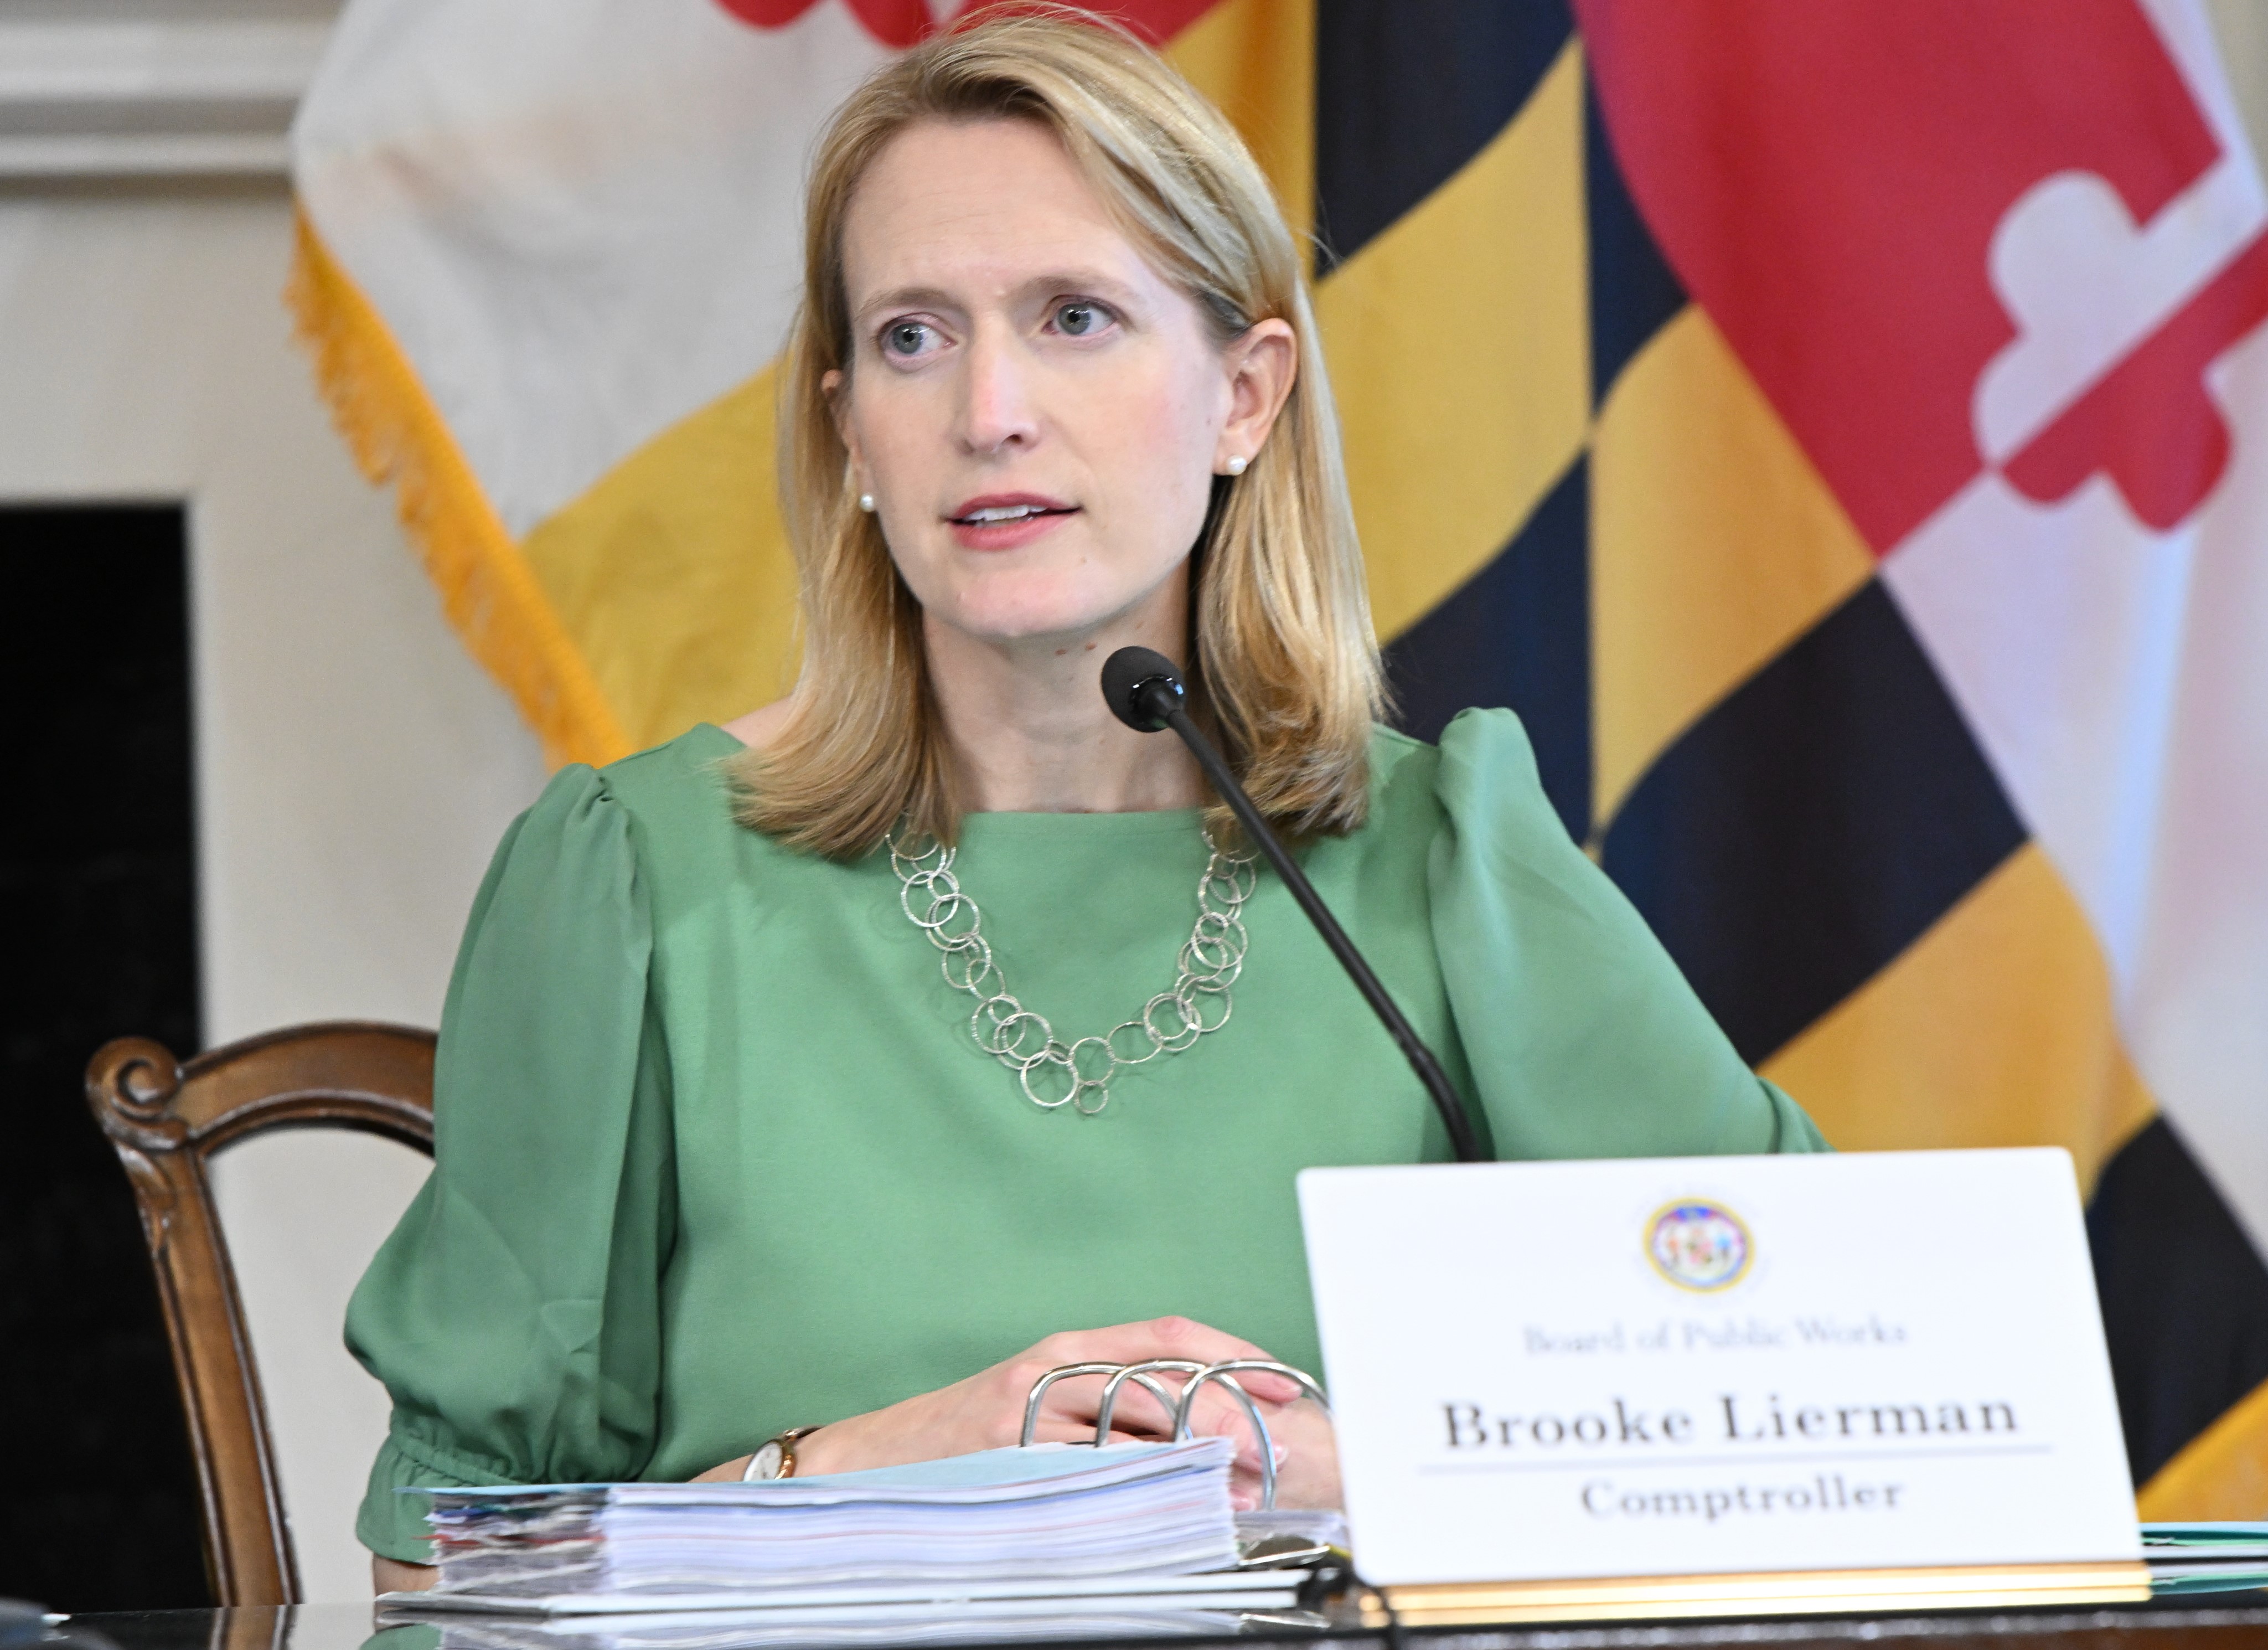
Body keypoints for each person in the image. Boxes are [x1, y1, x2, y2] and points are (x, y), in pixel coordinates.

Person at [352, 11, 1827, 1591]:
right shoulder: (634, 885)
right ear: (849, 429)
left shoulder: (1449, 865)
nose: (988, 408)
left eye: (1073, 317)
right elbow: (445, 1581)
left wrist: (1385, 1477)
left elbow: (1820, 1424)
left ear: (1245, 395)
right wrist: (852, 1470)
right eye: (913, 337)